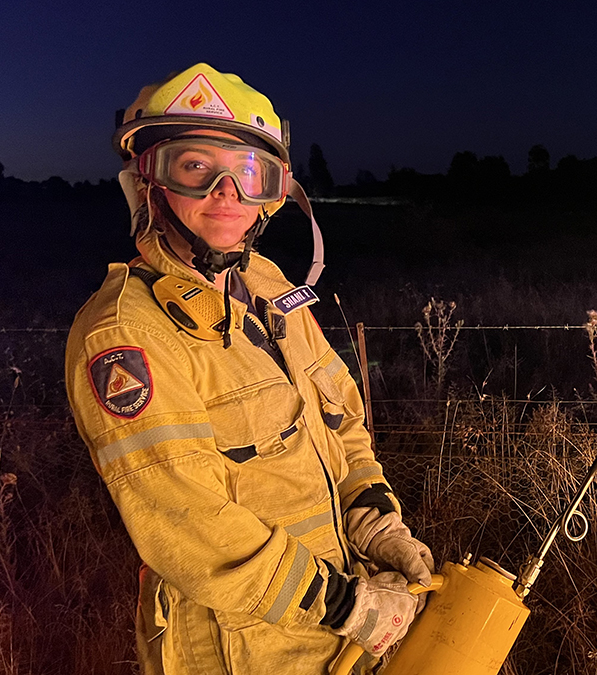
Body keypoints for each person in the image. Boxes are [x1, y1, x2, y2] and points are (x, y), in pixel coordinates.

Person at [64, 63, 435, 674]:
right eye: (194, 167)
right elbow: (187, 524)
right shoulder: (127, 334)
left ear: (274, 189)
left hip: (342, 630)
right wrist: (345, 605)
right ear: (149, 183)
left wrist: (376, 522)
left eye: (247, 172)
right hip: (242, 649)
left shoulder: (266, 285)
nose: (226, 192)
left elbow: (340, 417)